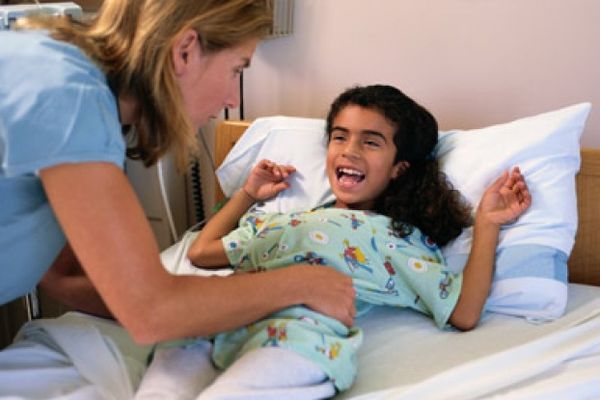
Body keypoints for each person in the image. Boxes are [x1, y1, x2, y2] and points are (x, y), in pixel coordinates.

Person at [0, 0, 356, 396]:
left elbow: (64, 276)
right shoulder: (67, 97)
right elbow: (151, 311)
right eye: (237, 68)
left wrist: (217, 309)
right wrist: (301, 283)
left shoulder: (80, 98)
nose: (231, 100)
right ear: (185, 50)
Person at [187, 84, 532, 397]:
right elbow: (202, 253)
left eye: (370, 142)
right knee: (176, 342)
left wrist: (487, 223)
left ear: (399, 168)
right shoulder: (283, 221)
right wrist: (248, 194)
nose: (349, 151)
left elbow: (464, 312)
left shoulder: (395, 238)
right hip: (228, 313)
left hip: (297, 332)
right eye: (339, 137)